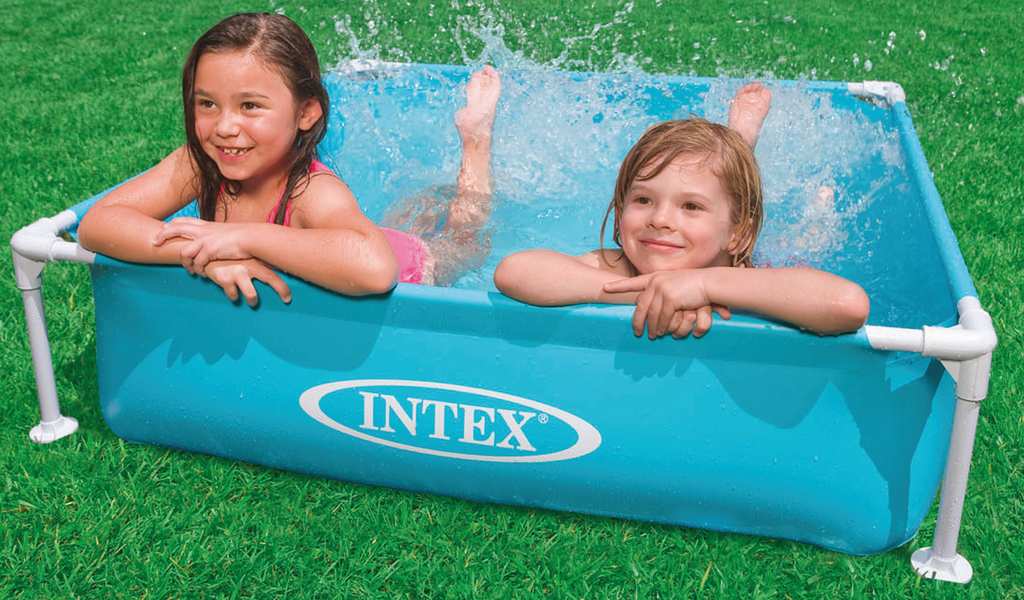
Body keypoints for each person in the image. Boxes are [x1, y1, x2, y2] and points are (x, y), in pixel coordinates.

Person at [78, 12, 500, 305]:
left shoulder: (313, 191)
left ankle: (475, 139)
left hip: (408, 264)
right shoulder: (200, 164)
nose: (224, 126)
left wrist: (243, 239)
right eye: (207, 104)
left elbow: (375, 269)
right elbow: (99, 223)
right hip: (337, 245)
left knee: (462, 240)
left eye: (249, 106)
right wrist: (204, 255)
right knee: (403, 218)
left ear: (306, 113)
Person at [493, 84, 870, 338]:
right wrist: (656, 293)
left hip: (735, 256)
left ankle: (740, 146)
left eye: (690, 206)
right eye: (643, 200)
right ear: (620, 209)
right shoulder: (620, 267)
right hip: (721, 232)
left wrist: (703, 285)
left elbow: (848, 305)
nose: (659, 219)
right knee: (718, 190)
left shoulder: (745, 276)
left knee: (800, 242)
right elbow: (515, 271)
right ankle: (732, 155)